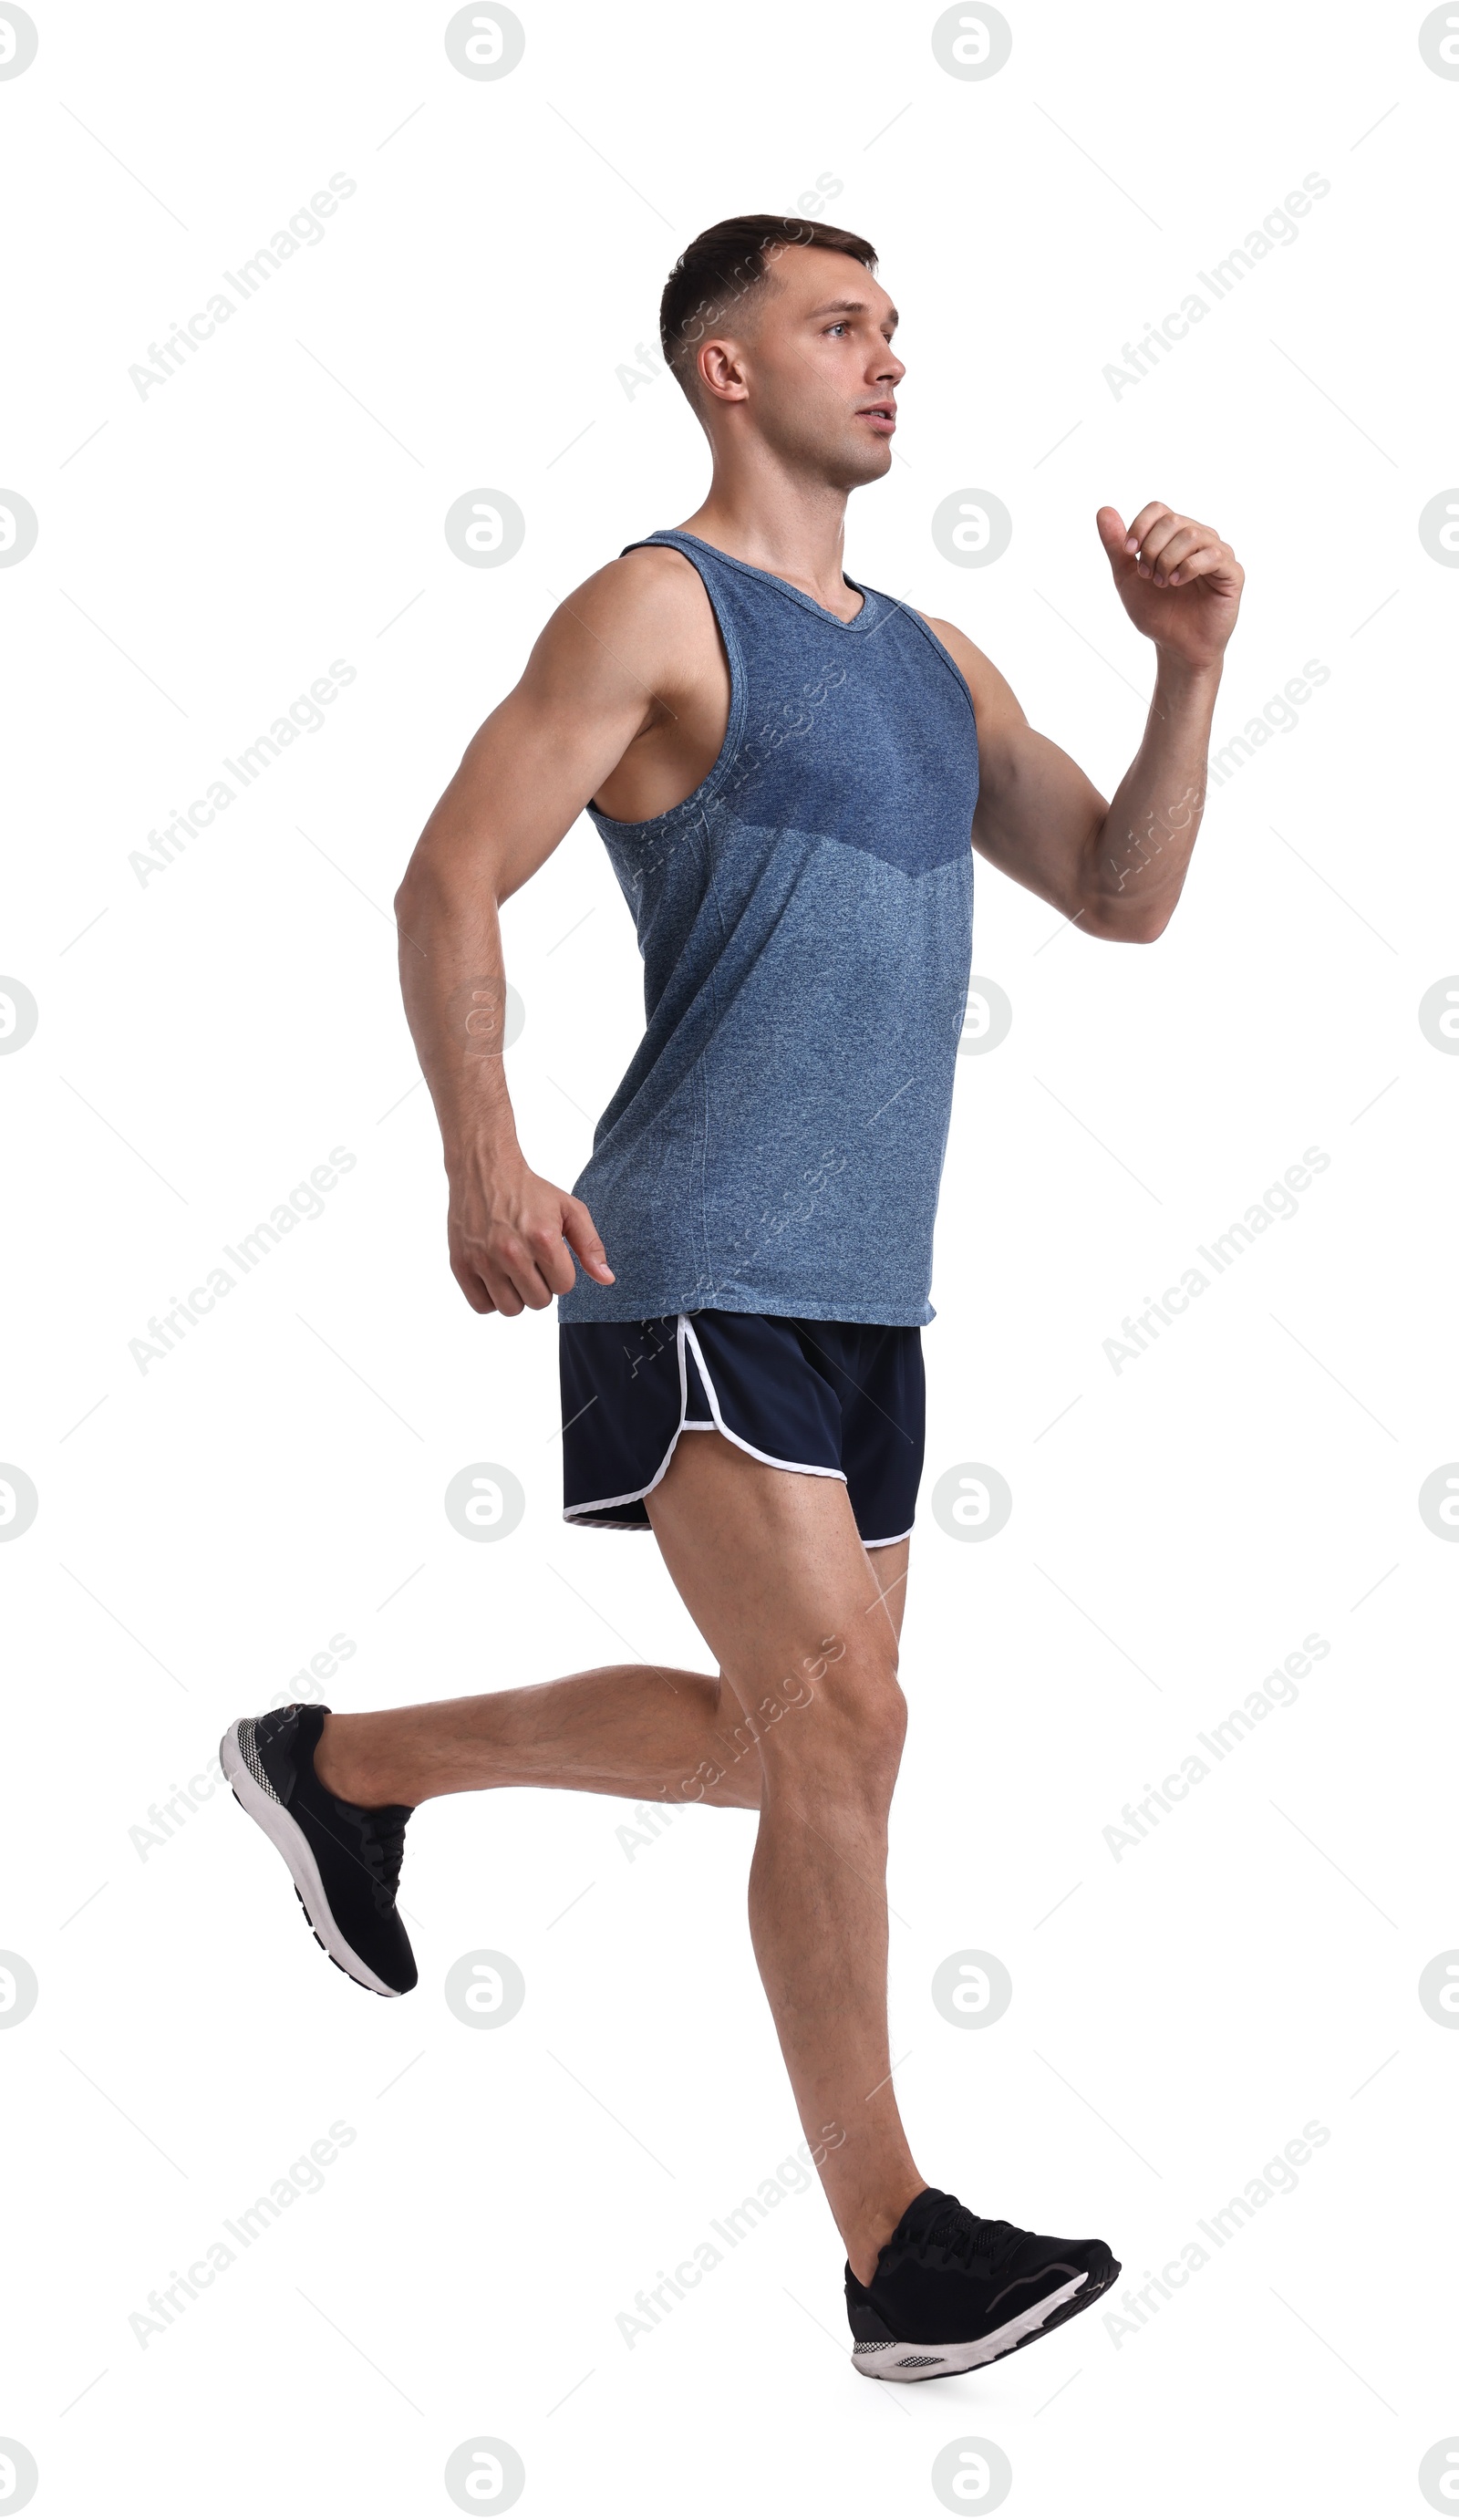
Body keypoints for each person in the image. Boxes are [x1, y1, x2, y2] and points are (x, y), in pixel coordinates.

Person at [222, 213, 1242, 2380]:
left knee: (785, 1752)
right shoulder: (653, 607)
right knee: (845, 1730)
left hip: (876, 1291)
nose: (885, 361)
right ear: (721, 368)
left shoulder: (934, 657)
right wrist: (479, 1152)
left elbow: (1118, 891)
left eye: (893, 330)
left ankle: (346, 1762)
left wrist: (1184, 664)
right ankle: (893, 2246)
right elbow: (443, 871)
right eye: (838, 325)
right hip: (690, 1256)